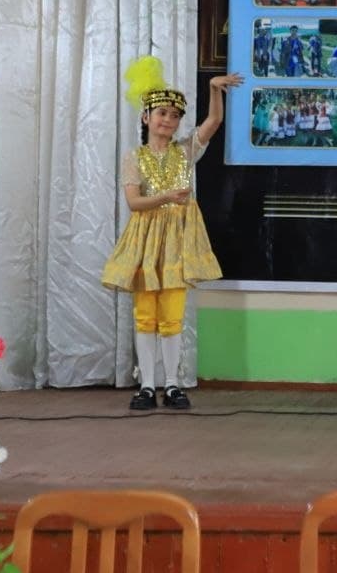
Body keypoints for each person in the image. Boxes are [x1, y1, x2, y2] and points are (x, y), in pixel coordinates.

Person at [102, 56, 242, 410]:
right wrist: (165, 196)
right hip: (146, 242)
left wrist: (214, 89)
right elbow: (135, 203)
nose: (169, 120)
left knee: (173, 313)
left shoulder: (184, 153)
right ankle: (147, 385)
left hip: (177, 242)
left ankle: (173, 384)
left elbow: (214, 121)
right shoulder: (134, 157)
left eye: (175, 115)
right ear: (147, 117)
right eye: (162, 113)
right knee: (145, 313)